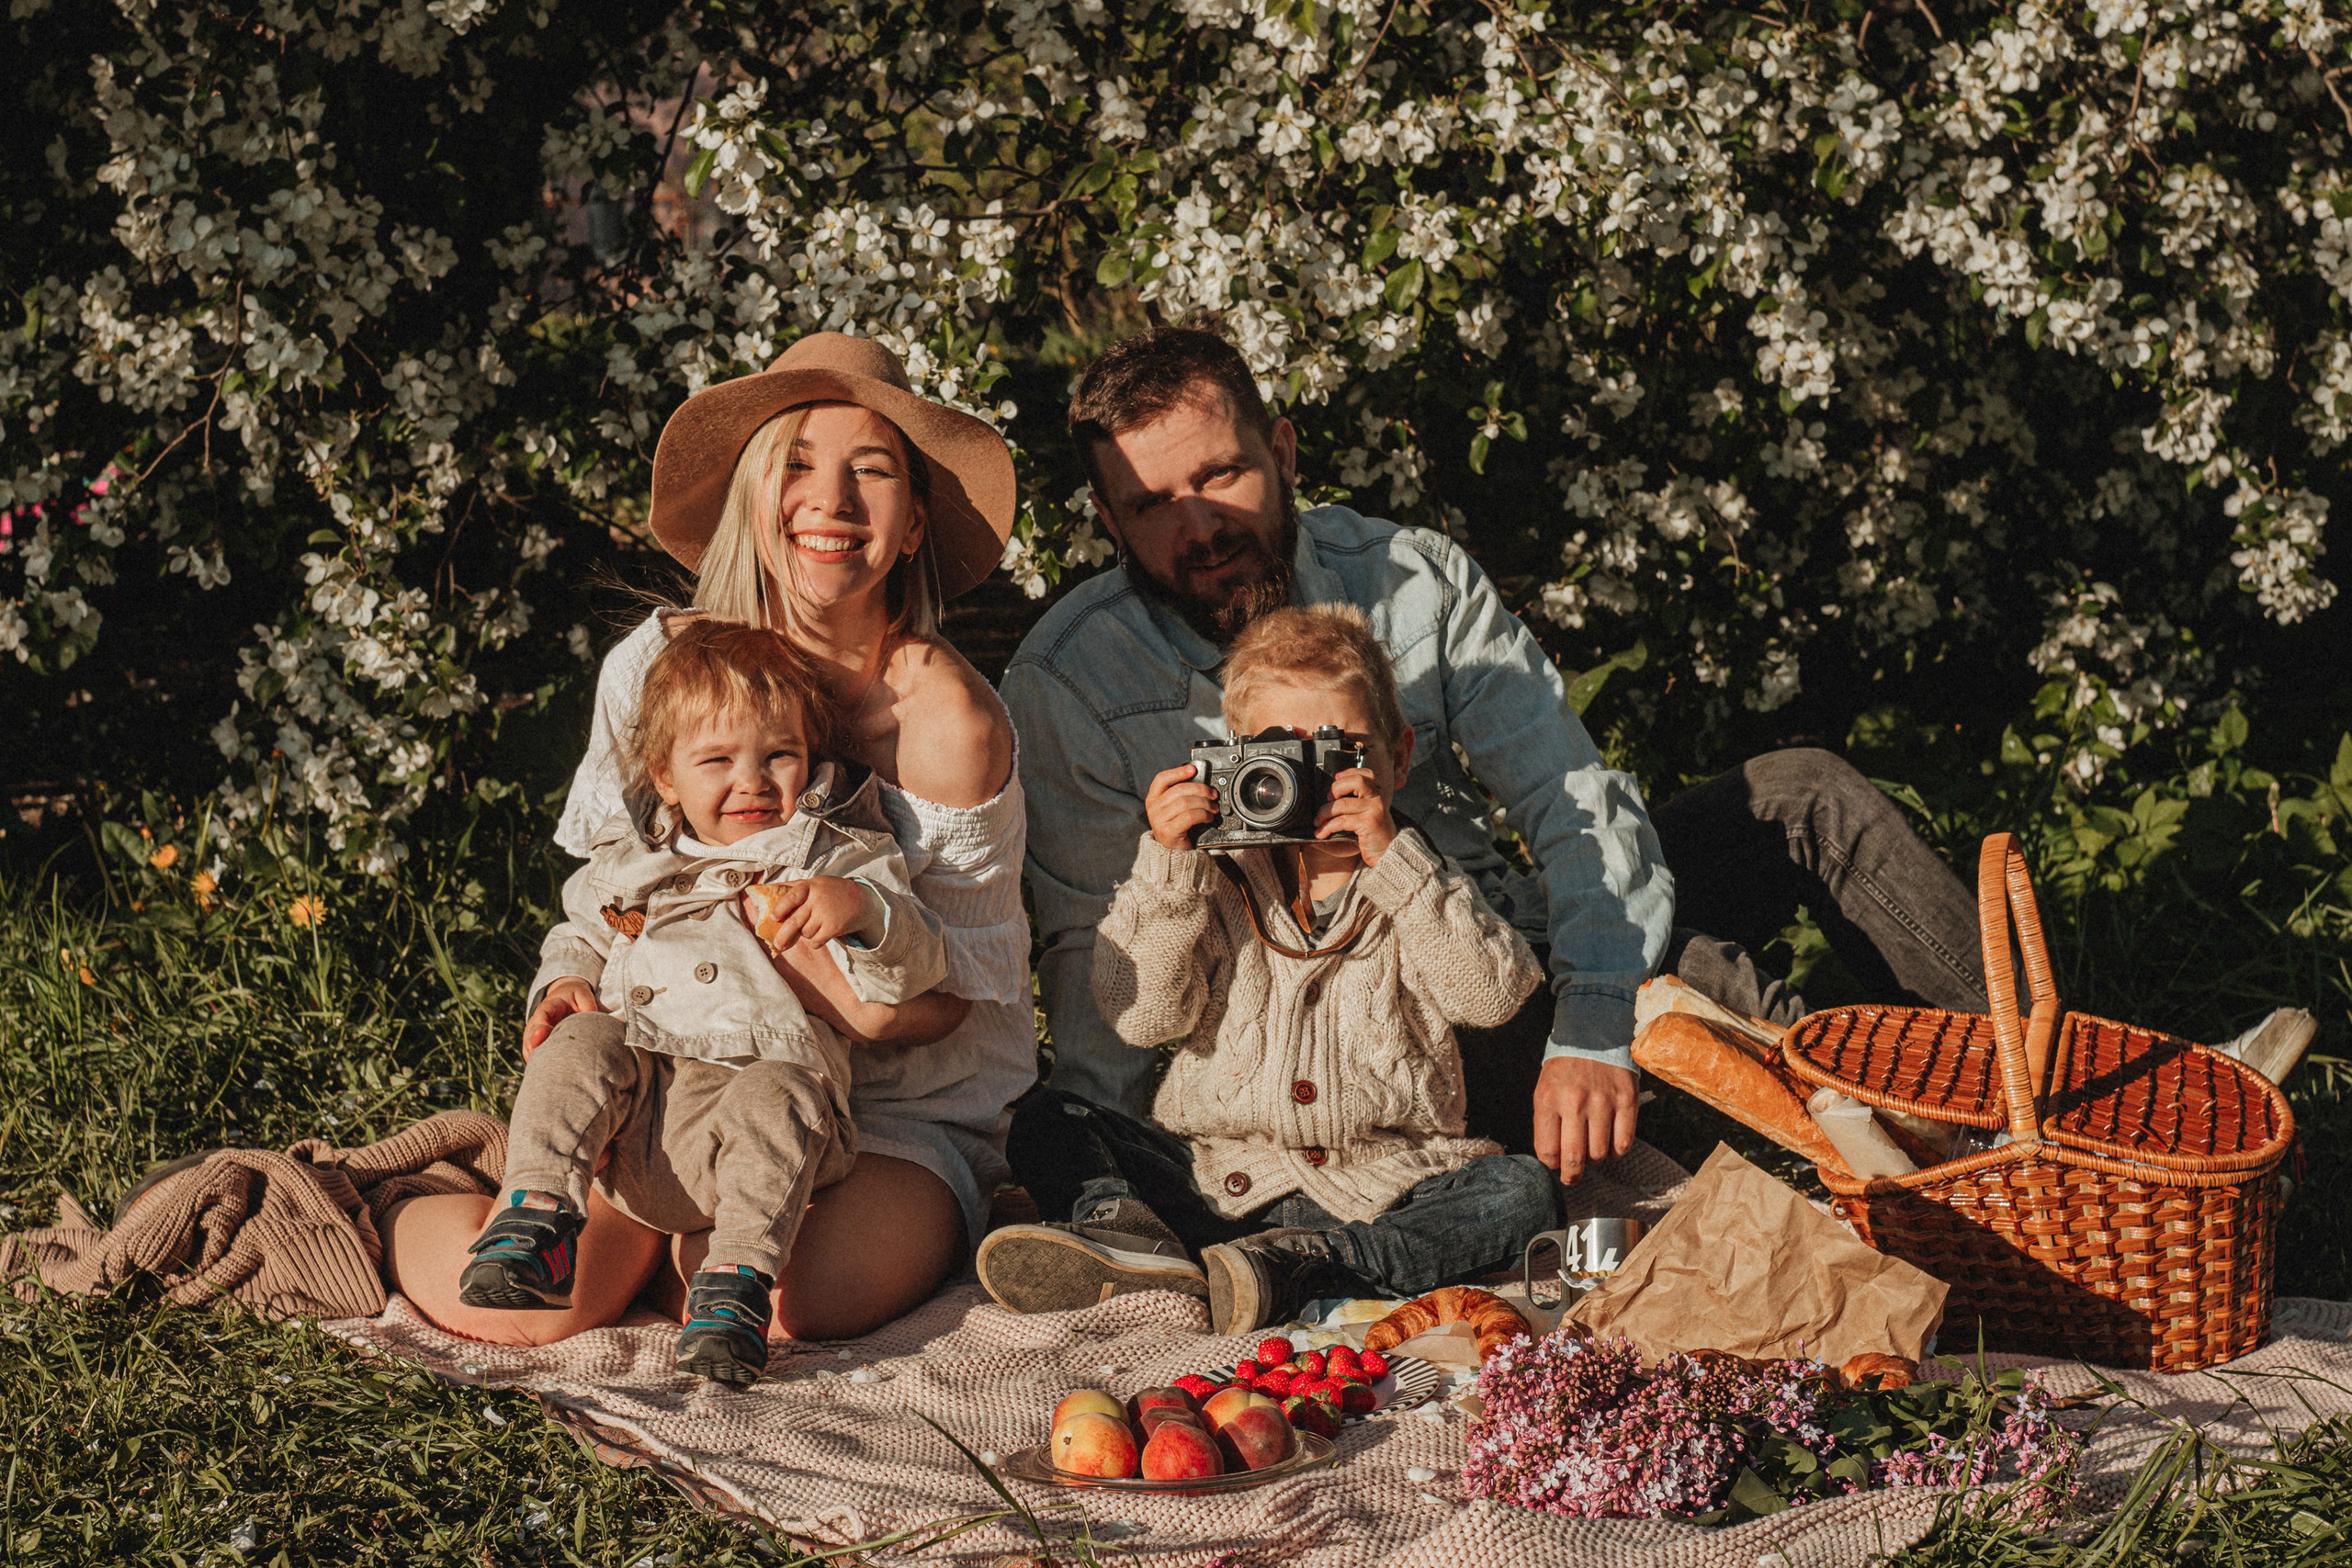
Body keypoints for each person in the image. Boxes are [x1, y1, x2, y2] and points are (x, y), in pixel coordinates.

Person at [1000, 321, 1991, 1200]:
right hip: (1383, 1035)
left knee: (1802, 793)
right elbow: (1096, 964)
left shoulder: (1412, 580)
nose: (1198, 528)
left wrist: (1591, 1023)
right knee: (1682, 973)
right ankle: (1933, 1156)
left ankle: (2036, 1086)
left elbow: (1571, 800)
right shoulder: (1072, 680)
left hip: (1492, 933)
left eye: (1221, 476)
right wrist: (1116, 1175)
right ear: (1108, 520)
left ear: (1284, 454)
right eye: (1150, 505)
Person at [384, 333, 1035, 1349]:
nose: (832, 501)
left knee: (795, 1303)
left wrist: (833, 968)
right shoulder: (660, 670)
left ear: (914, 523)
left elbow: (961, 998)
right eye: (797, 465)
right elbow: (612, 898)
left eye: (872, 471)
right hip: (675, 1065)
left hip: (889, 1104)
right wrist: (571, 987)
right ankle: (394, 1210)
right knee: (518, 1311)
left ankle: (685, 1251)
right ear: (753, 495)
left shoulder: (947, 719)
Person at [980, 606, 1559, 1333]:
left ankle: (1306, 1265)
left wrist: (1398, 864)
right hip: (1223, 1182)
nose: (1314, 783)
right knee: (1049, 1119)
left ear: (1400, 757)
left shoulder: (1416, 878)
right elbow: (1142, 1017)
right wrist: (1169, 864)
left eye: (1343, 753)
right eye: (1285, 755)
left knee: (1523, 1188)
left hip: (1384, 1185)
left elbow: (1493, 996)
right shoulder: (1212, 877)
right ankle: (1130, 1237)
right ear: (1238, 761)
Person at [460, 619, 946, 1385]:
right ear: (664, 776)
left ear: (811, 759)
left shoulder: (835, 851)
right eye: (717, 760)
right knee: (580, 1041)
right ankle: (537, 1214)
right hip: (636, 1119)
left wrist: (859, 908)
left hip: (754, 1120)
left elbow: (918, 959)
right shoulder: (635, 861)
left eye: (778, 755)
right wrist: (562, 986)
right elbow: (580, 932)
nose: (751, 781)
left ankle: (733, 1286)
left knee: (780, 1092)